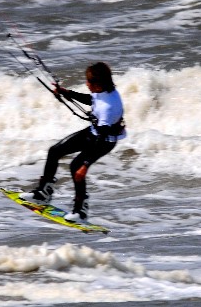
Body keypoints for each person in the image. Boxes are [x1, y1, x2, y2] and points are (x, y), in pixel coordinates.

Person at [21, 62, 127, 222]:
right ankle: (43, 193)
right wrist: (66, 93)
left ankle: (80, 211)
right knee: (54, 151)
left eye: (88, 82)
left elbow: (101, 140)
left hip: (104, 141)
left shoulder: (108, 108)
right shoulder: (104, 90)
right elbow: (91, 99)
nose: (86, 84)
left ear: (97, 85)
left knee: (76, 168)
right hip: (94, 132)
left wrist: (85, 165)